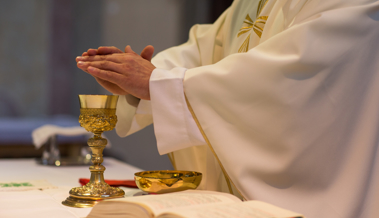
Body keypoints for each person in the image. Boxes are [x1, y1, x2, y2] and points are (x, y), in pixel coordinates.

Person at [76, 0, 379, 217]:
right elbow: (199, 52)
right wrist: (142, 78)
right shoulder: (248, 5)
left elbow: (291, 80)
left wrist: (158, 82)